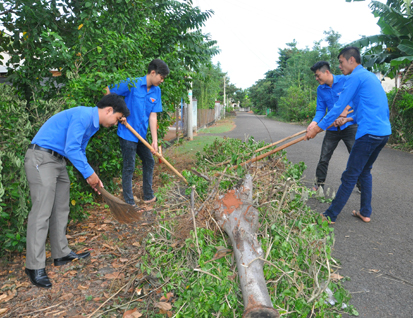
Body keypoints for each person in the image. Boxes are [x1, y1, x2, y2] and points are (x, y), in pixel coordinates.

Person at [24, 94, 130, 288]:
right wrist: (90, 173)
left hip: (58, 161)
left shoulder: (92, 124)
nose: (115, 123)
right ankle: (34, 267)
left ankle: (61, 254)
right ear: (108, 110)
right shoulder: (83, 115)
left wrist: (91, 178)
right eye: (117, 118)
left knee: (61, 208)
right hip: (41, 157)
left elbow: (78, 150)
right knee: (42, 213)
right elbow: (72, 148)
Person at [305, 46, 391, 224]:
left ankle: (330, 215)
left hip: (368, 134)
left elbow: (337, 107)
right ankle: (365, 212)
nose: (340, 67)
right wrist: (348, 118)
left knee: (349, 176)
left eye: (341, 62)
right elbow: (368, 108)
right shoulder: (369, 77)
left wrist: (317, 129)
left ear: (351, 60)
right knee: (365, 171)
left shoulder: (353, 77)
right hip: (383, 133)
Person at [105, 59, 170, 206]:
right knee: (129, 166)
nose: (162, 81)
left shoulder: (156, 91)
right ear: (153, 73)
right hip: (127, 133)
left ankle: (148, 195)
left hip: (141, 135)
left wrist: (154, 140)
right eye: (161, 77)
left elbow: (153, 116)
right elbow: (108, 89)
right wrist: (115, 112)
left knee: (149, 160)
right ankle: (129, 201)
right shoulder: (132, 84)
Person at [308, 61, 361, 192]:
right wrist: (314, 123)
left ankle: (362, 185)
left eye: (317, 75)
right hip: (331, 128)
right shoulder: (320, 89)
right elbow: (320, 110)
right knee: (324, 158)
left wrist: (346, 108)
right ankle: (319, 185)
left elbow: (357, 97)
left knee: (356, 156)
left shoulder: (345, 80)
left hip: (349, 126)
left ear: (326, 72)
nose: (316, 78)